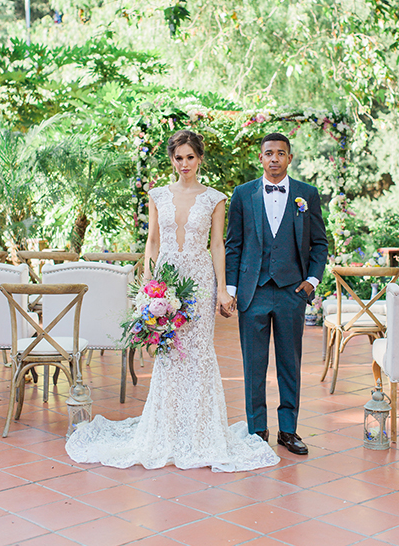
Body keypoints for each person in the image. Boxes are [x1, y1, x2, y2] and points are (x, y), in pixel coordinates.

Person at [65, 130, 279, 472]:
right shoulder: (157, 196)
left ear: (200, 159)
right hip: (164, 283)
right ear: (172, 159)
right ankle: (166, 429)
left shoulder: (215, 198)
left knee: (197, 355)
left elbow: (218, 246)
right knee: (169, 355)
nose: (184, 164)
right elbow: (152, 241)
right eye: (179, 158)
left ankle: (201, 432)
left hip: (199, 281)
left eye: (190, 157)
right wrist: (148, 285)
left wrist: (223, 289)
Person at [224, 132, 328, 455]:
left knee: (289, 362)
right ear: (261, 158)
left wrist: (311, 279)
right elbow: (233, 245)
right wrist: (231, 289)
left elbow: (320, 243)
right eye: (269, 153)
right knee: (253, 365)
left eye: (280, 154)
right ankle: (257, 430)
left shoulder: (306, 195)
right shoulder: (243, 195)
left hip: (290, 292)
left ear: (289, 159)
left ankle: (288, 430)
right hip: (252, 292)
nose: (274, 159)